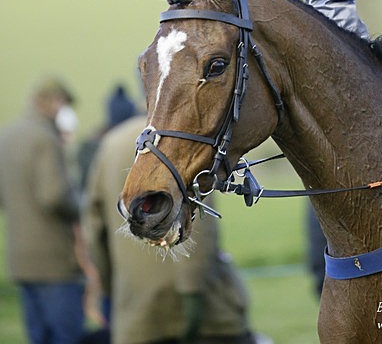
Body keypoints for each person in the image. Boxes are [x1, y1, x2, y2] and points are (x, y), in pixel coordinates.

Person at [82, 113, 271, 344]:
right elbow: (200, 227)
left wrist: (113, 293)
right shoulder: (183, 137)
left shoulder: (109, 146)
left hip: (138, 319)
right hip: (208, 317)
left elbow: (94, 233)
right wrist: (192, 293)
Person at [0, 78, 85, 344]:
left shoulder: (7, 136)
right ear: (54, 102)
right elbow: (54, 195)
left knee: (38, 335)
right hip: (54, 261)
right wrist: (81, 206)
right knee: (66, 335)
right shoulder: (46, 139)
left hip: (20, 260)